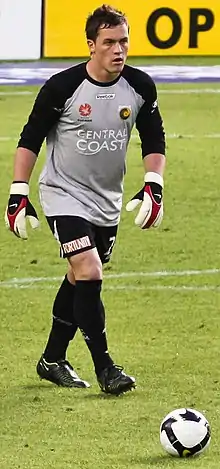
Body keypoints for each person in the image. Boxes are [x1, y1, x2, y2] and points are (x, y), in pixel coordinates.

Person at [5, 4, 166, 395]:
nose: (118, 50)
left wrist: (153, 184)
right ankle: (106, 368)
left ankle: (52, 359)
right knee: (89, 269)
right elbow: (29, 139)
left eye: (124, 41)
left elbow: (154, 136)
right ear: (91, 45)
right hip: (63, 195)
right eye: (109, 42)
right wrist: (18, 192)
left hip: (106, 201)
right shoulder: (62, 87)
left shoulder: (140, 87)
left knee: (78, 278)